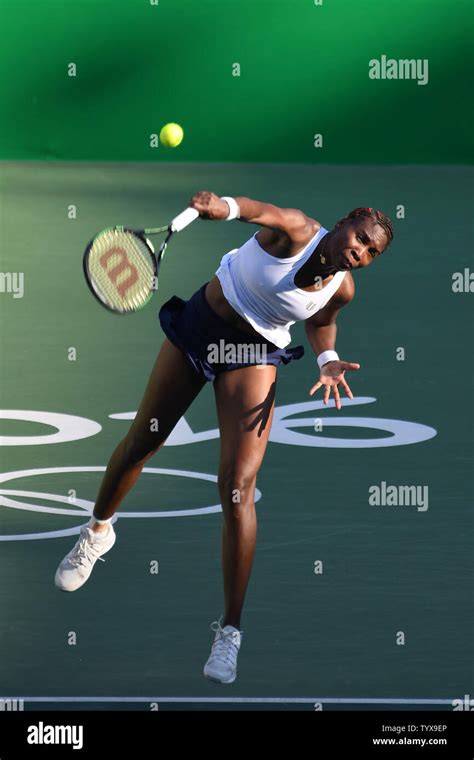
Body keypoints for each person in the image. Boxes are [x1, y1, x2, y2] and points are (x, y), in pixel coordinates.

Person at [55, 192, 394, 684]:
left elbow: (321, 322)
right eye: (359, 238)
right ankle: (97, 533)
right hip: (201, 327)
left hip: (254, 354)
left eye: (370, 253)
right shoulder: (296, 229)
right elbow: (259, 212)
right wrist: (224, 207)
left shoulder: (342, 289)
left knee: (238, 487)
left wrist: (327, 358)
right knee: (142, 444)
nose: (359, 252)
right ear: (342, 224)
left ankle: (229, 631)